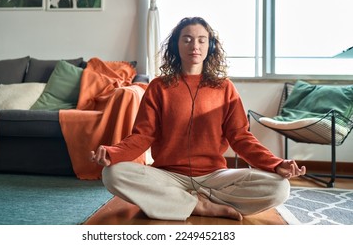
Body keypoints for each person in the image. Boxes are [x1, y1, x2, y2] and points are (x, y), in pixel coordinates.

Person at [91, 17, 306, 221]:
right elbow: (143, 135)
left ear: (210, 47)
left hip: (214, 178)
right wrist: (114, 154)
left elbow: (241, 138)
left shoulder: (225, 88)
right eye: (187, 39)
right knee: (112, 174)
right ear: (176, 46)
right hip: (168, 177)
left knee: (280, 187)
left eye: (202, 40)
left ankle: (177, 203)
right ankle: (199, 205)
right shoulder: (158, 87)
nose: (195, 45)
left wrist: (275, 164)